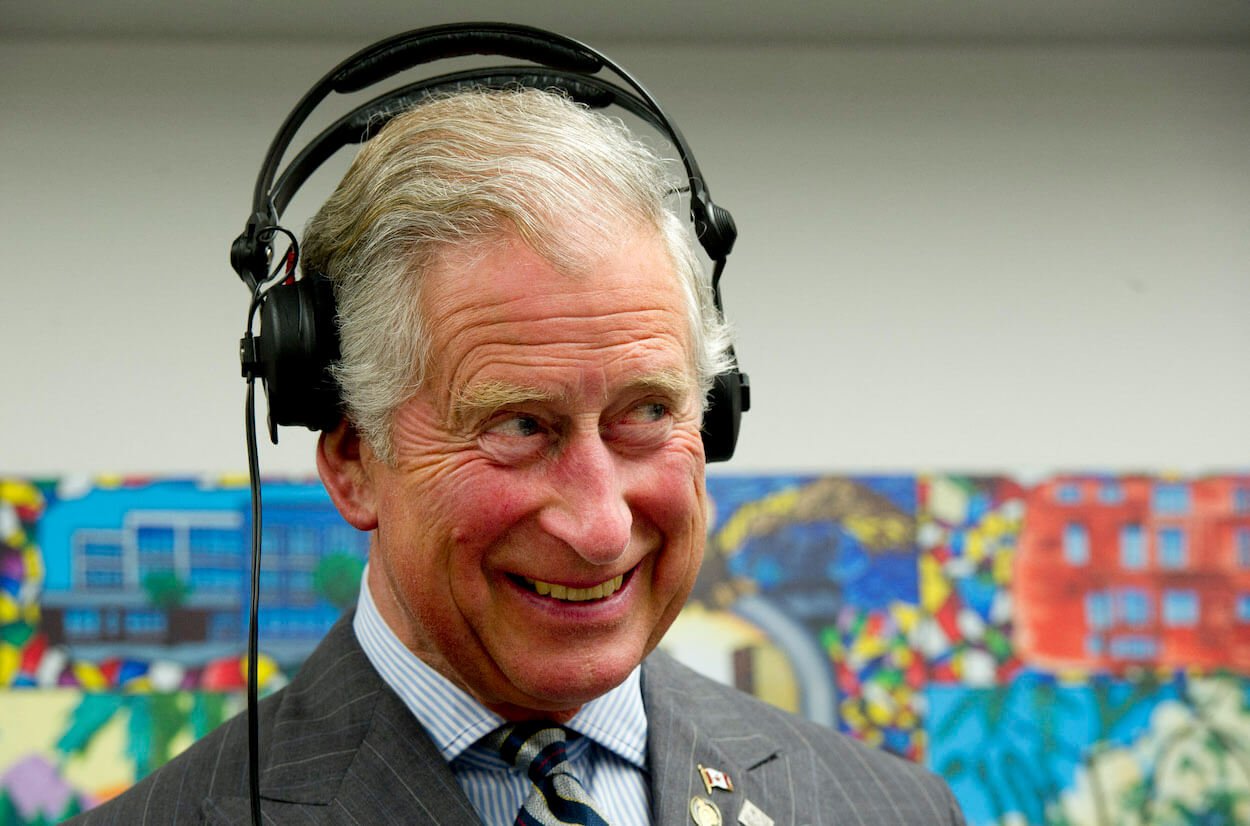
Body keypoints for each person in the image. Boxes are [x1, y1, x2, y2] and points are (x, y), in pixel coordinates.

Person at [71, 88, 964, 824]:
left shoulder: (894, 810)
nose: (601, 527)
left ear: (715, 416)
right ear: (351, 458)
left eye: (648, 411)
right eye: (519, 427)